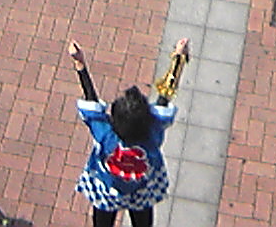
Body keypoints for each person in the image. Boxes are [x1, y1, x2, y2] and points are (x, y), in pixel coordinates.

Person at [68, 38, 189, 227]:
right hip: (142, 189)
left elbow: (91, 100)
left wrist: (79, 63)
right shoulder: (152, 132)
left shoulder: (105, 134)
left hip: (108, 189)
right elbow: (165, 97)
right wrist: (178, 60)